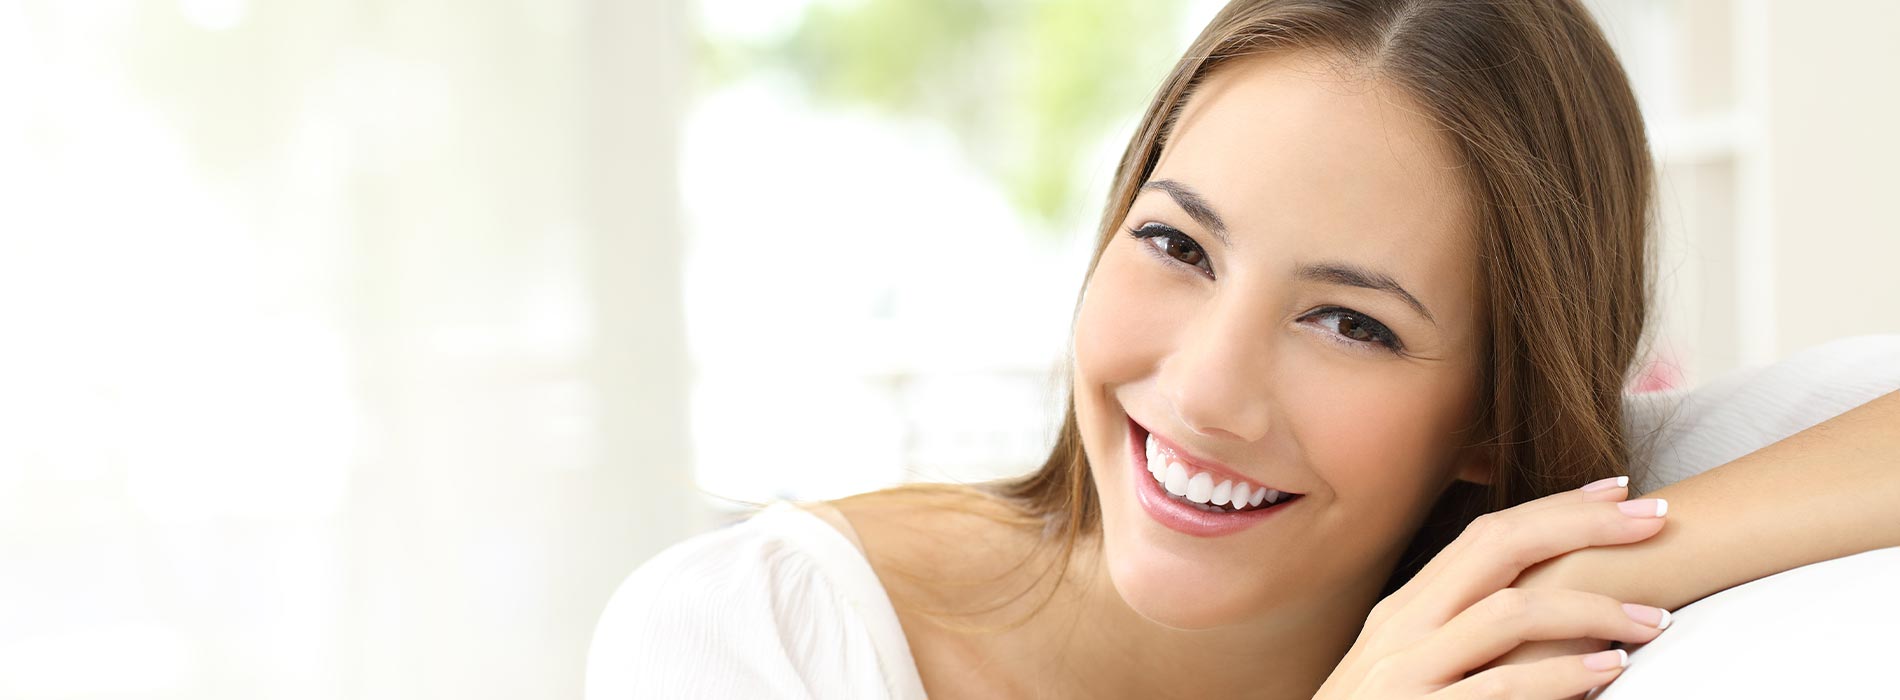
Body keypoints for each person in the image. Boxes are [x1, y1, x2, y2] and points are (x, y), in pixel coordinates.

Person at [588, 1, 1900, 697]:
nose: (1208, 389)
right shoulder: (757, 639)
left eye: (1351, 322)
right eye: (1180, 246)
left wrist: (1556, 561)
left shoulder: (1499, 574)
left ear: (1496, 418)